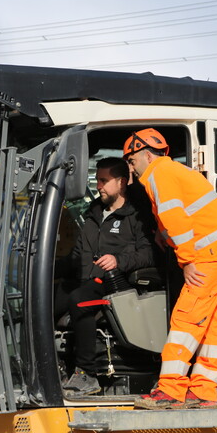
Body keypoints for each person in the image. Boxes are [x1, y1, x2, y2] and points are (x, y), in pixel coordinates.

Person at [123, 128, 217, 410]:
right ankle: (203, 389)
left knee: (185, 320)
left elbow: (176, 218)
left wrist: (187, 261)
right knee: (213, 323)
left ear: (146, 155)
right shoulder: (170, 171)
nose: (131, 167)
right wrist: (162, 235)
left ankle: (170, 390)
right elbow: (178, 214)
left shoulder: (158, 175)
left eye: (131, 160)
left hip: (208, 255)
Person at [56, 157, 155, 397]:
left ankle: (86, 375)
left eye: (104, 180)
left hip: (114, 283)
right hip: (85, 278)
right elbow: (77, 256)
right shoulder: (93, 214)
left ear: (121, 182)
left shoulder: (136, 216)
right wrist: (49, 268)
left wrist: (118, 261)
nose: (98, 185)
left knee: (80, 300)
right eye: (97, 180)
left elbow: (148, 254)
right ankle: (50, 366)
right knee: (41, 299)